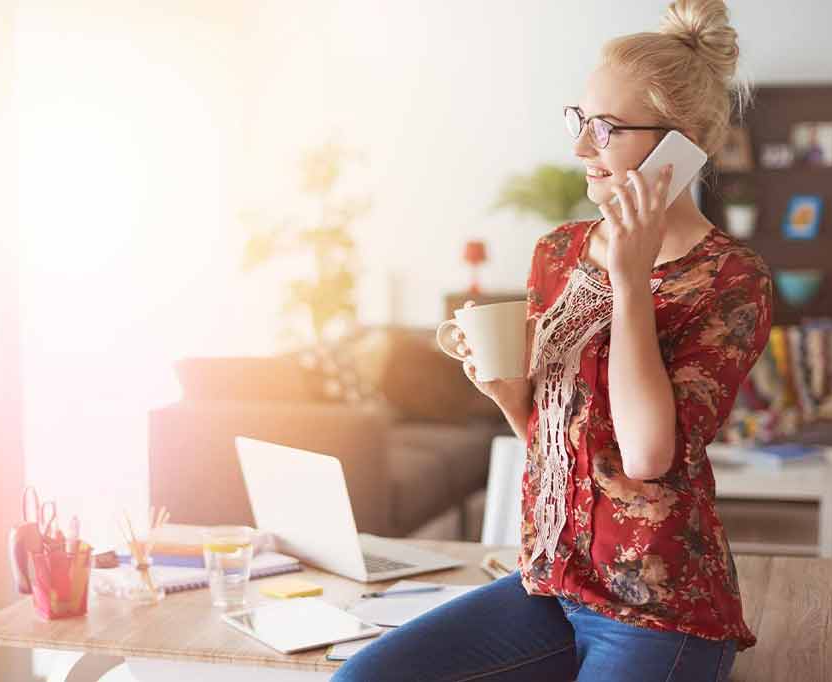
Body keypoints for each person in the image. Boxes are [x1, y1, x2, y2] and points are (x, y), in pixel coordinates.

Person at [330, 1, 771, 680]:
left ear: (680, 146)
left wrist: (629, 283)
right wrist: (511, 397)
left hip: (659, 610)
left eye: (607, 129)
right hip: (550, 585)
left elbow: (650, 455)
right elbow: (557, 439)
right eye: (579, 120)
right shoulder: (559, 250)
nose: (580, 149)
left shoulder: (732, 278)